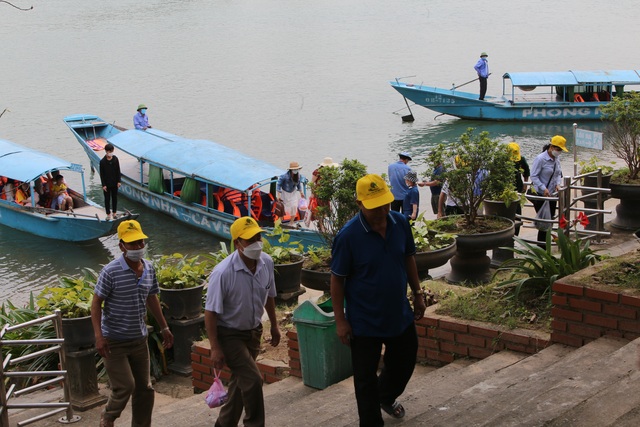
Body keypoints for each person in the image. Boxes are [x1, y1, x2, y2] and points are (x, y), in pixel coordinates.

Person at [330, 174, 427, 427]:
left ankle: (385, 396)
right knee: (364, 379)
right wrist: (340, 320)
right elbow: (337, 280)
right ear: (359, 203)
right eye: (374, 207)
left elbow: (408, 259)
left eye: (385, 203)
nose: (382, 211)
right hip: (364, 320)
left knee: (405, 360)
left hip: (398, 312)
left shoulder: (400, 223)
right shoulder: (348, 236)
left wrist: (417, 294)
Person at [91, 220, 174, 427]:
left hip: (139, 339)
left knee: (145, 389)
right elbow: (96, 304)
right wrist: (99, 336)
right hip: (114, 341)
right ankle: (108, 416)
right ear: (121, 246)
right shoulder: (110, 272)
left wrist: (164, 327)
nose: (137, 247)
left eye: (139, 242)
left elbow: (152, 298)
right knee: (125, 386)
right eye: (132, 244)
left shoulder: (149, 269)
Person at [205, 216, 280, 427]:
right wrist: (215, 347)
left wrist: (274, 325)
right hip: (229, 335)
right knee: (254, 380)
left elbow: (270, 295)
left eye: (258, 237)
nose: (257, 243)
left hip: (253, 332)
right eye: (250, 239)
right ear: (238, 243)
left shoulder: (266, 262)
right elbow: (210, 312)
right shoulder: (223, 272)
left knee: (240, 383)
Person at [530, 135, 567, 244]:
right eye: (558, 149)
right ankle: (542, 248)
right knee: (543, 224)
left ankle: (546, 248)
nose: (559, 152)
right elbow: (534, 176)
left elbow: (558, 174)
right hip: (541, 195)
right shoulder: (540, 159)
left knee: (549, 222)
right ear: (551, 147)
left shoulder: (557, 159)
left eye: (561, 150)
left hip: (552, 196)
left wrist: (558, 184)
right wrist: (543, 188)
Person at [508, 142, 531, 236]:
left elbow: (526, 173)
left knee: (517, 214)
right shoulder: (501, 160)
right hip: (505, 191)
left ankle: (515, 236)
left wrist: (525, 186)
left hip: (518, 189)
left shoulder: (521, 160)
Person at [99, 143, 122, 220]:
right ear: (106, 151)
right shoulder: (102, 162)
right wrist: (103, 185)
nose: (110, 153)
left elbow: (118, 171)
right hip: (107, 183)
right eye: (109, 151)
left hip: (114, 182)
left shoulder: (115, 159)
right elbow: (102, 174)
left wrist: (119, 181)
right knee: (107, 199)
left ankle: (114, 213)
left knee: (114, 198)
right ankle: (108, 214)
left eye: (111, 151)